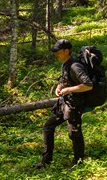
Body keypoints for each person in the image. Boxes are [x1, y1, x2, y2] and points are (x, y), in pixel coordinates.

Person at [34, 39, 92, 169]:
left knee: (74, 133)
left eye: (58, 52)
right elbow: (65, 80)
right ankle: (46, 161)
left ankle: (78, 162)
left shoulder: (75, 66)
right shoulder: (65, 64)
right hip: (64, 104)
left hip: (74, 105)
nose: (56, 54)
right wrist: (59, 87)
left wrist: (68, 90)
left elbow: (88, 85)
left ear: (67, 51)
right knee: (48, 127)